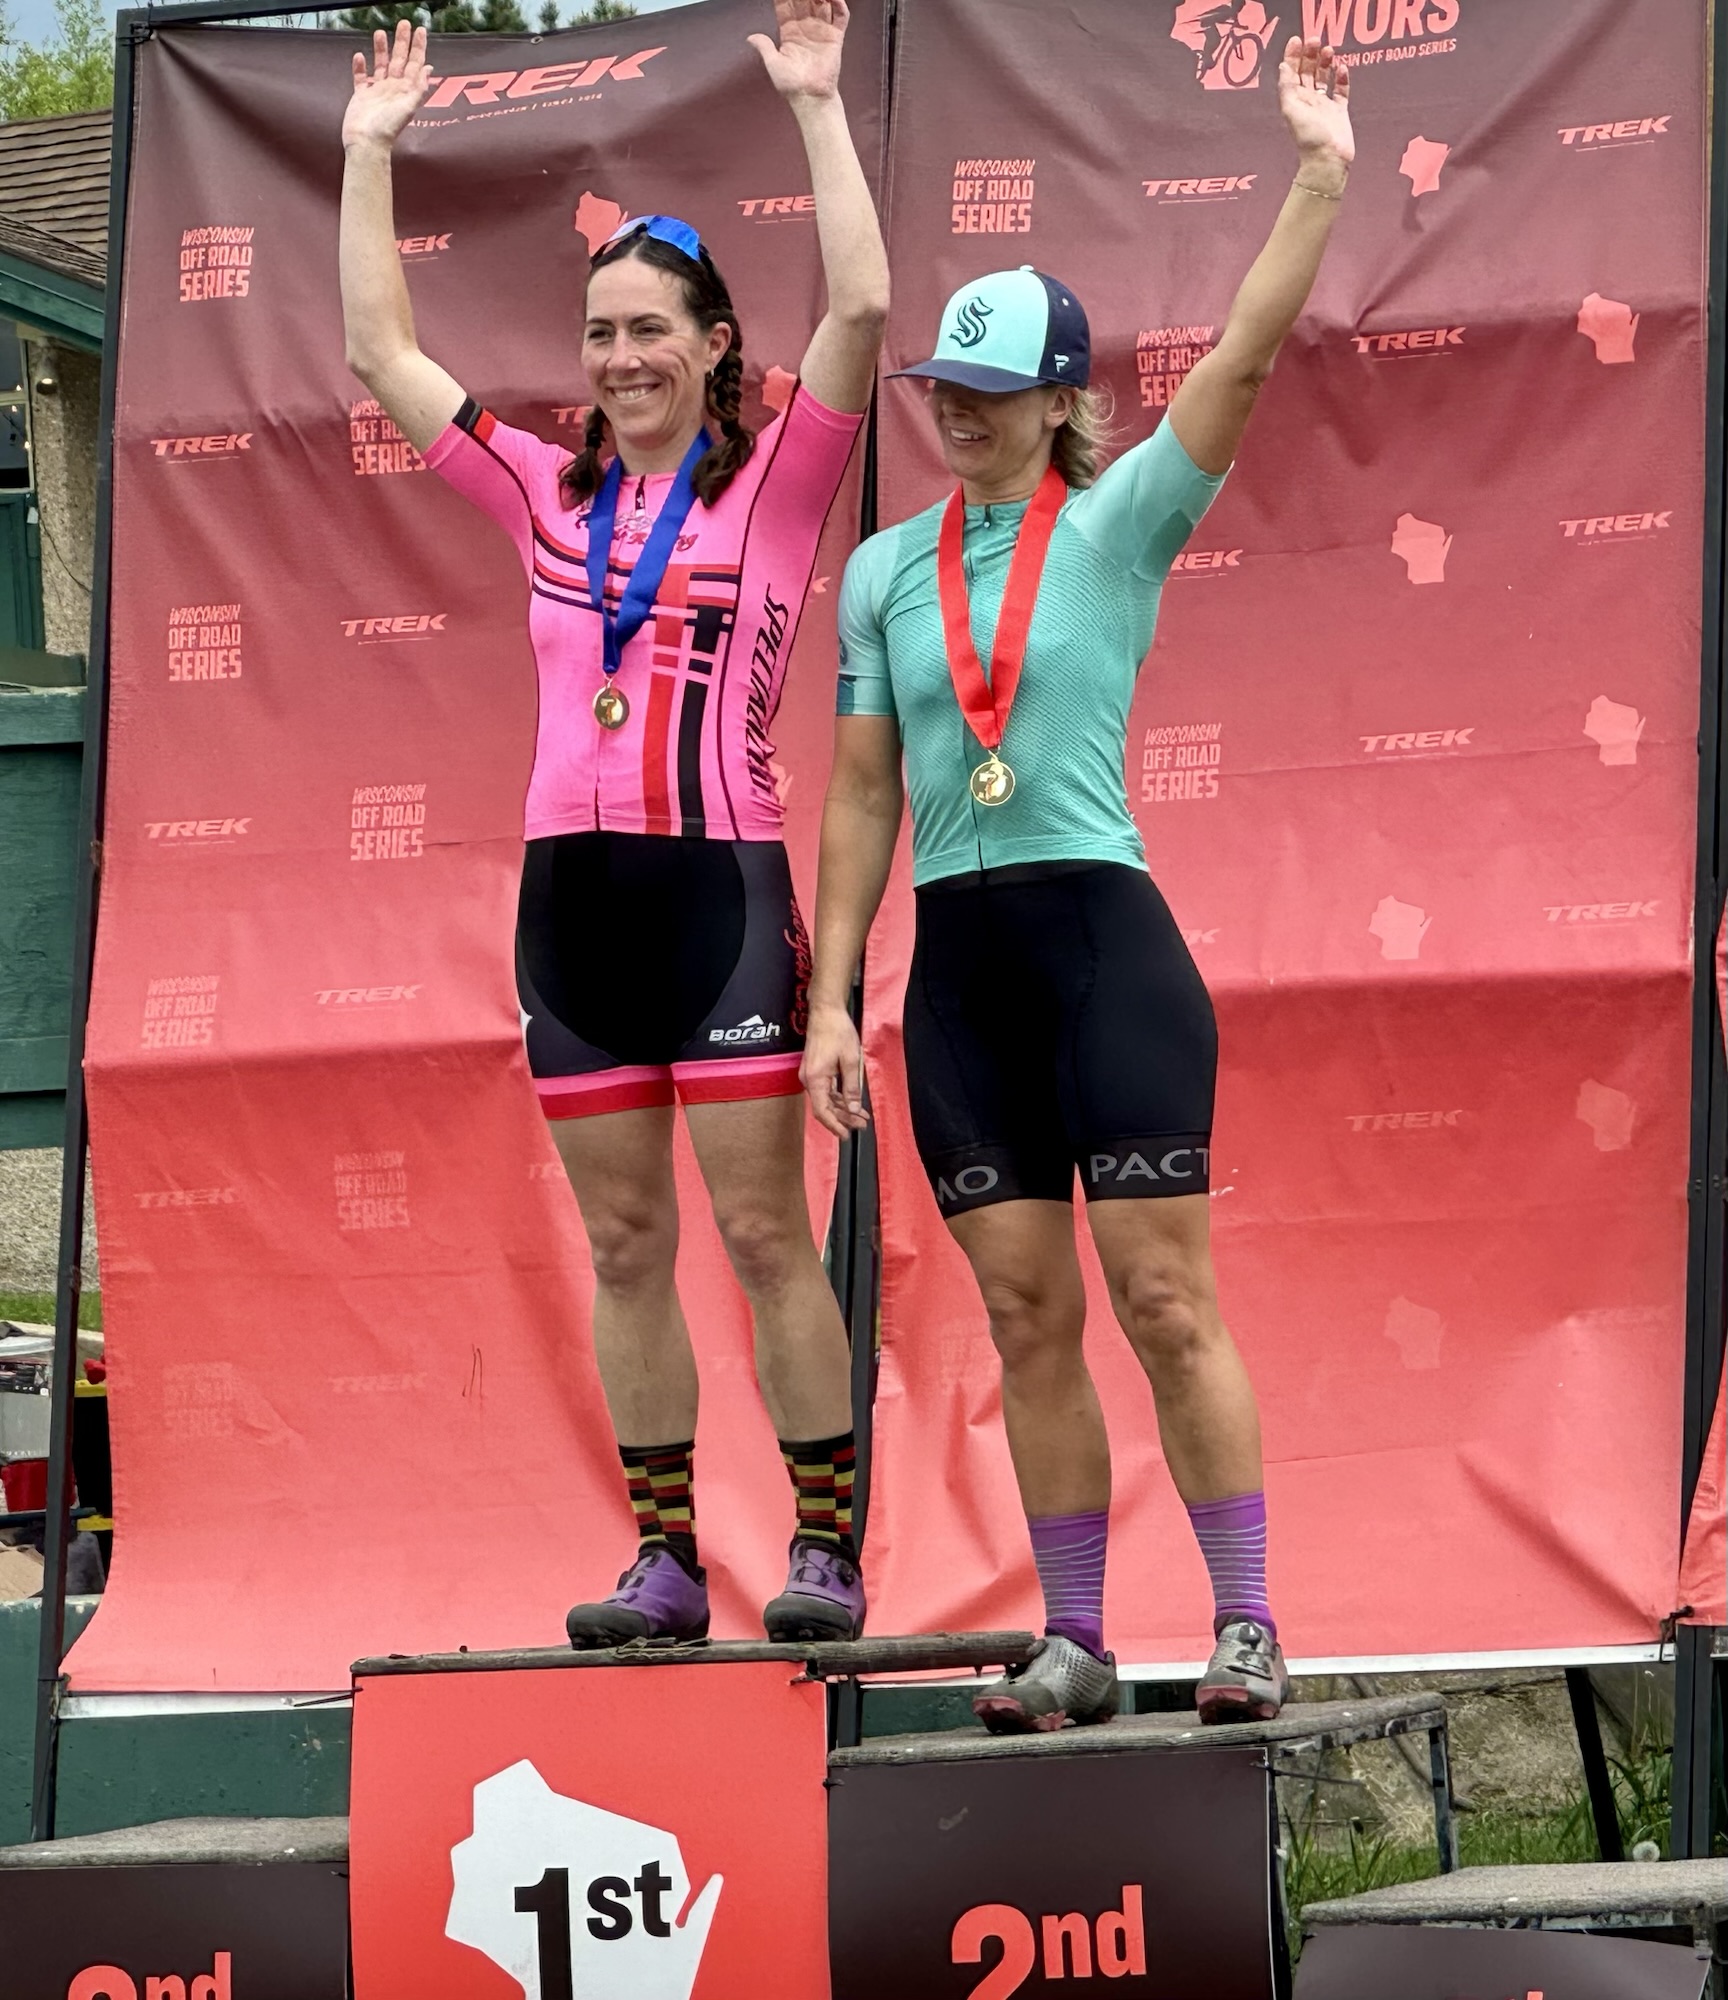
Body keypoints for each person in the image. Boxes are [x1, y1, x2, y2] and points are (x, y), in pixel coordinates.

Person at [803, 38, 1353, 1730]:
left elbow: (1243, 359)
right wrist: (830, 998)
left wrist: (1320, 174)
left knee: (1166, 1302)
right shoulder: (882, 573)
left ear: (1059, 401)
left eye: (990, 389)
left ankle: (1246, 1625)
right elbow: (862, 791)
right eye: (941, 388)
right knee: (1027, 1318)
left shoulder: (1120, 526)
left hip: (1105, 946)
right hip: (960, 976)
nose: (958, 411)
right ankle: (1079, 1642)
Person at [339, 2, 888, 1646]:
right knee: (630, 1242)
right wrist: (369, 149)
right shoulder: (539, 487)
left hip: (719, 894)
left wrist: (814, 104)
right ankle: (665, 1562)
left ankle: (825, 1553)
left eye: (652, 329)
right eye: (599, 334)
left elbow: (863, 303)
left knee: (764, 1235)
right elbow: (379, 352)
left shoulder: (780, 479)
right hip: (570, 911)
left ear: (715, 344)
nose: (622, 357)